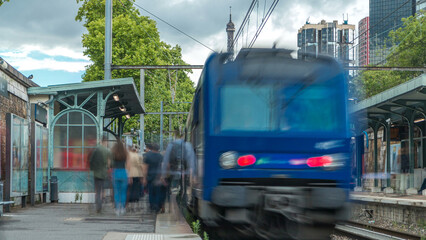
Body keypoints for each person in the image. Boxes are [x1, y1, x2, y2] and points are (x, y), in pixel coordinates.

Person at [161, 135, 196, 209]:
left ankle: (174, 210)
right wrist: (193, 176)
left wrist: (163, 175)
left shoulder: (171, 145)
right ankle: (182, 206)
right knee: (183, 191)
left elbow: (166, 161)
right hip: (184, 174)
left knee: (173, 192)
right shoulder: (188, 145)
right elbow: (191, 162)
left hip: (173, 173)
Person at [89, 135, 110, 213]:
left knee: (97, 191)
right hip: (104, 173)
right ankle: (100, 204)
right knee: (102, 190)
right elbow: (110, 163)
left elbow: (91, 161)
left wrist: (92, 169)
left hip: (96, 173)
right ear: (106, 141)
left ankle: (98, 205)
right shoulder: (107, 151)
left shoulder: (96, 150)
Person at [142, 143, 163, 213]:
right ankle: (156, 206)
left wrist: (144, 178)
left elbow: (145, 168)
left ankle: (152, 206)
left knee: (151, 192)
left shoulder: (147, 156)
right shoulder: (161, 157)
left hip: (150, 177)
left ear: (152, 148)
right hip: (158, 177)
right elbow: (162, 167)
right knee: (158, 192)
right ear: (158, 149)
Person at [111, 140, 128, 215]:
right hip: (124, 172)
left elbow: (109, 163)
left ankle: (117, 208)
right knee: (123, 192)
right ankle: (123, 207)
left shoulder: (113, 153)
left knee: (116, 192)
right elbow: (128, 164)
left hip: (115, 172)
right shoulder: (125, 153)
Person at [126, 146, 144, 212]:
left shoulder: (128, 156)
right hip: (137, 174)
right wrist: (142, 176)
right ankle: (135, 205)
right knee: (136, 189)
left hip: (130, 174)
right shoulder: (138, 156)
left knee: (129, 189)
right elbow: (141, 166)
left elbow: (127, 166)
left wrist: (128, 175)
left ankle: (129, 205)